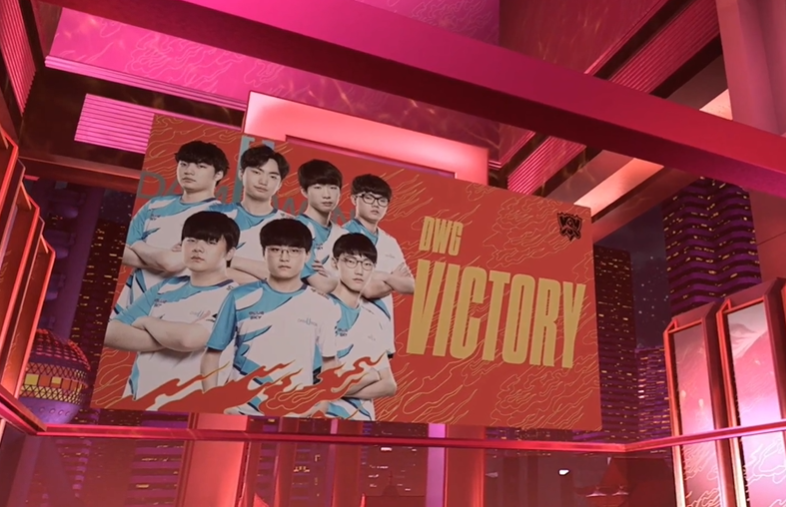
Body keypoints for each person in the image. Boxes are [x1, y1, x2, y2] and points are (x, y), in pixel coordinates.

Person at [201, 218, 340, 416]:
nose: (284, 258)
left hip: (296, 412)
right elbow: (211, 355)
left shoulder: (321, 304)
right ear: (263, 253)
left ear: (307, 255)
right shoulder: (239, 297)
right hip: (241, 409)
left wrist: (322, 405)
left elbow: (330, 361)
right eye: (275, 250)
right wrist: (216, 404)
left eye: (294, 251)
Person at [104, 211, 240, 408]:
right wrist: (169, 338)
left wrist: (147, 322)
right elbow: (109, 333)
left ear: (230, 252)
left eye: (210, 242)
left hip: (190, 407)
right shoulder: (164, 287)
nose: (198, 248)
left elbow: (189, 339)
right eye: (191, 240)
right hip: (137, 402)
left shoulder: (237, 298)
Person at [116, 140, 229, 316]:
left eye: (200, 166)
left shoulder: (220, 215)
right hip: (131, 301)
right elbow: (122, 252)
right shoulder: (154, 205)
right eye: (184, 164)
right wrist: (161, 259)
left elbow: (171, 263)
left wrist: (137, 244)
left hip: (177, 309)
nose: (189, 171)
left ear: (218, 174)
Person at [325, 234, 397, 421]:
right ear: (334, 263)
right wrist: (370, 376)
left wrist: (341, 388)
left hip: (363, 423)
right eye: (351, 262)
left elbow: (389, 385)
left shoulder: (373, 320)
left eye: (367, 264)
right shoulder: (319, 310)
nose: (359, 271)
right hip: (323, 419)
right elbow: (323, 384)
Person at [343, 174, 415, 357]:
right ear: (354, 199)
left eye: (382, 200)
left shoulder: (390, 242)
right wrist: (394, 280)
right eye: (369, 197)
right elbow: (367, 290)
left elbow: (410, 286)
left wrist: (383, 277)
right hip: (352, 331)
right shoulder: (343, 236)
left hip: (383, 330)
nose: (376, 204)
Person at [219, 145, 292, 285]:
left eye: (272, 176)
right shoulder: (215, 214)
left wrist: (229, 260)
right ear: (241, 174)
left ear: (280, 184)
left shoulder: (291, 225)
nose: (263, 181)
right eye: (257, 172)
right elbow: (197, 264)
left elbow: (287, 277)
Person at [295, 159, 348, 293]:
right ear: (304, 191)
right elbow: (322, 285)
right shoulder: (296, 229)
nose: (327, 195)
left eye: (333, 188)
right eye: (318, 187)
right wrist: (341, 278)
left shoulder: (344, 235)